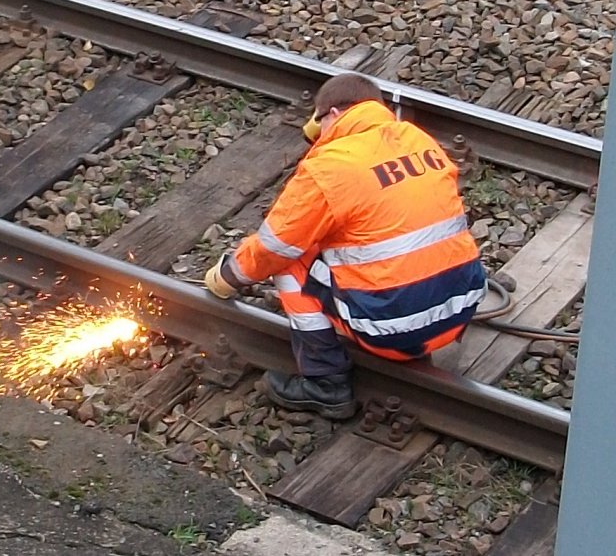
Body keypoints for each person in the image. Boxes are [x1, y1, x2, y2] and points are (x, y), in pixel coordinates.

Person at [204, 73, 487, 420]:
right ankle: (413, 331)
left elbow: (274, 248)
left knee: (291, 260)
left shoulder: (331, 166)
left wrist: (228, 276)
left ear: (333, 115)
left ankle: (325, 383)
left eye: (318, 124)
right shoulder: (418, 139)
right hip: (459, 311)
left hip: (394, 332)